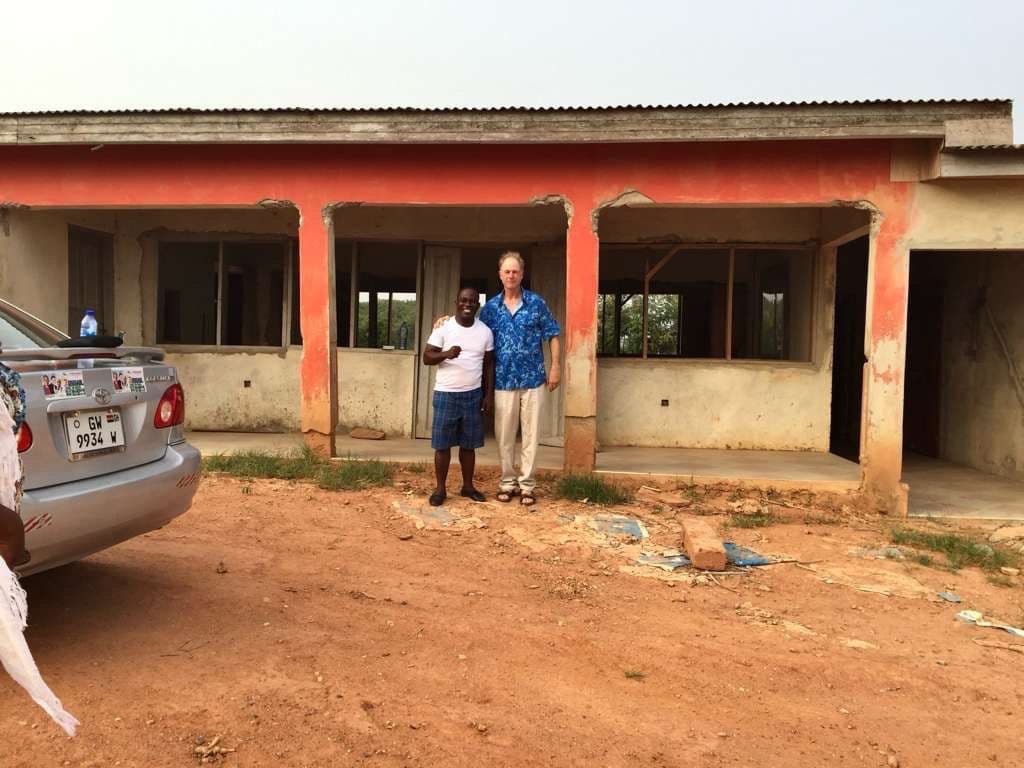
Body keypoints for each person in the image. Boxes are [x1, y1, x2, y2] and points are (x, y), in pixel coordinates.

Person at [478, 252, 560, 507]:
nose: (511, 275)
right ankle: (507, 482)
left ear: (522, 274)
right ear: (500, 275)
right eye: (507, 271)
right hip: (502, 381)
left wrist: (555, 366)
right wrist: (445, 322)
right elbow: (474, 333)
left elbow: (552, 334)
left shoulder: (536, 303)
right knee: (504, 436)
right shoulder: (490, 308)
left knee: (531, 435)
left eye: (515, 271)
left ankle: (527, 485)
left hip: (534, 379)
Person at [422, 287, 495, 507]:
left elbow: (489, 364)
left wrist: (488, 395)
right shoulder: (444, 328)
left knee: (469, 445)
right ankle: (440, 489)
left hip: (472, 395)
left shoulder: (485, 332)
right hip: (446, 393)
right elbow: (427, 356)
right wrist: (446, 353)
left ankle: (468, 487)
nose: (467, 304)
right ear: (457, 302)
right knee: (442, 446)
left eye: (472, 301)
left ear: (477, 305)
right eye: (464, 300)